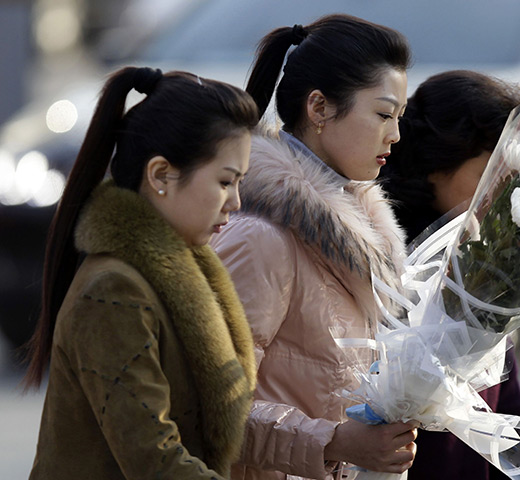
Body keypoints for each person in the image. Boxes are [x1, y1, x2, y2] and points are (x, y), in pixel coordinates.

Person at [23, 66, 259, 479]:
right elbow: (154, 460)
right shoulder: (114, 290)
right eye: (225, 181)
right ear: (161, 175)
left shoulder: (177, 272)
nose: (235, 202)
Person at [209, 14, 416, 480]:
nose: (395, 135)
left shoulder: (356, 233)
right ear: (319, 107)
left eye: (399, 118)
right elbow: (207, 409)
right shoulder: (260, 236)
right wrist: (338, 441)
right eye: (384, 114)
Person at [379, 70, 520, 480]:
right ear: (437, 165)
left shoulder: (489, 261)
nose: (506, 195)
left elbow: (508, 413)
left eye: (518, 181)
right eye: (492, 176)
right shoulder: (382, 258)